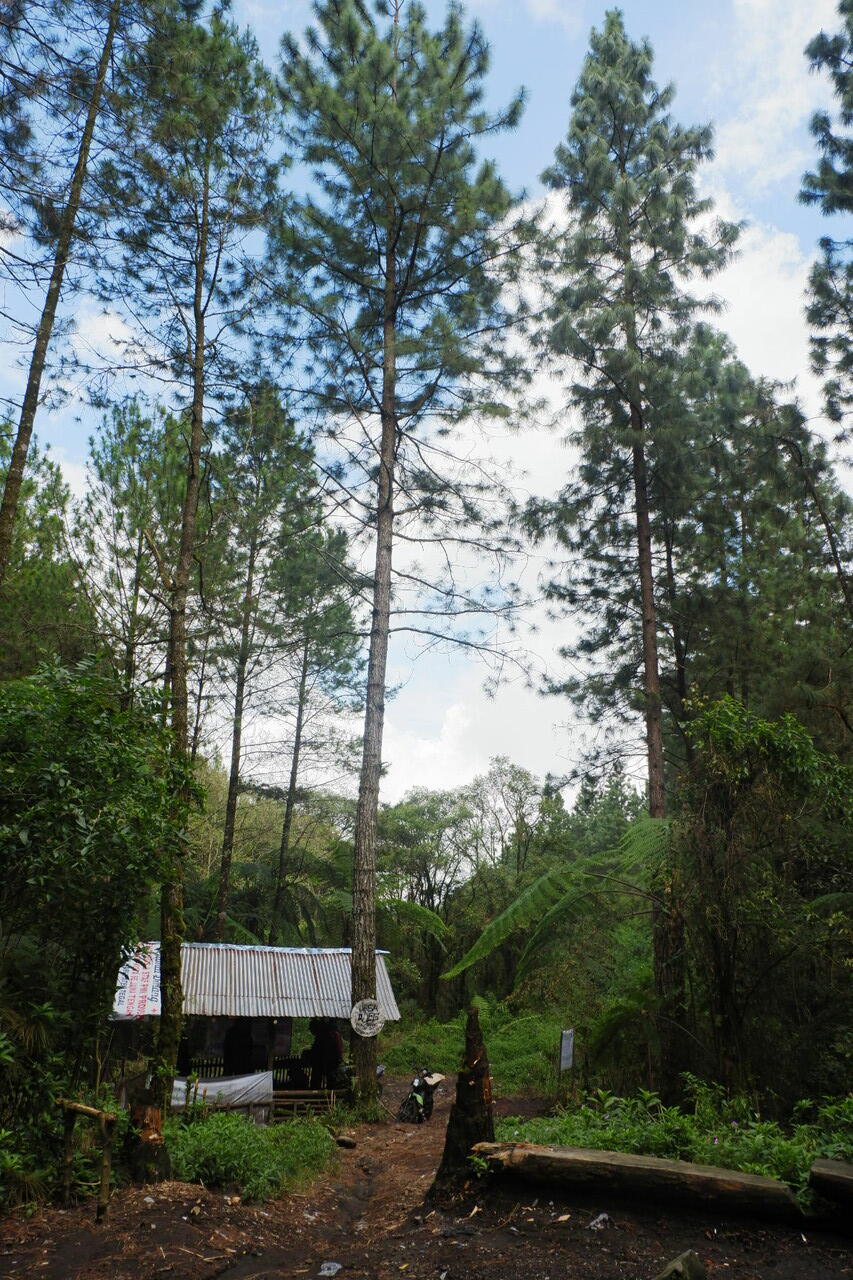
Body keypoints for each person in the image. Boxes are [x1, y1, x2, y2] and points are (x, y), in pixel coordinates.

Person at [306, 1017, 344, 1089]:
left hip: (329, 1060)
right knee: (320, 1079)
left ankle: (326, 1096)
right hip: (324, 1061)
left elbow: (338, 1047)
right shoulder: (323, 1035)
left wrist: (339, 1057)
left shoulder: (331, 1034)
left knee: (328, 1078)